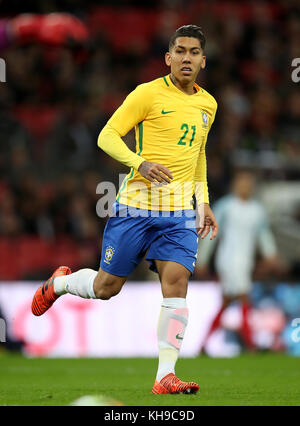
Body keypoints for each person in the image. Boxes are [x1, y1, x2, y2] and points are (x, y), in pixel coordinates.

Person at [32, 25, 218, 394]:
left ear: (202, 61)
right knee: (106, 288)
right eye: (179, 51)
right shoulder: (147, 94)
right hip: (135, 207)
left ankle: (165, 375)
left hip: (179, 211)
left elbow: (198, 155)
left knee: (177, 283)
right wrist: (141, 162)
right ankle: (61, 283)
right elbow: (107, 135)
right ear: (168, 58)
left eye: (193, 52)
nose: (186, 58)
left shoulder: (208, 104)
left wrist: (204, 201)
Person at [195, 169, 278, 353]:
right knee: (244, 298)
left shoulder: (257, 210)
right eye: (242, 183)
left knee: (226, 302)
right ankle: (251, 345)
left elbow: (263, 234)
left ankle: (203, 344)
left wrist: (270, 254)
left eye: (249, 183)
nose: (246, 187)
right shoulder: (225, 206)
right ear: (235, 185)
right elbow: (212, 233)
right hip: (229, 260)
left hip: (245, 261)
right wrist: (202, 259)